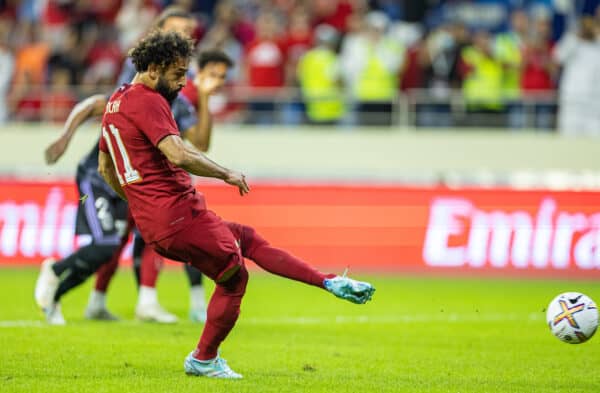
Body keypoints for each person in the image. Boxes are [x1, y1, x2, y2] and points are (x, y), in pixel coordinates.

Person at [65, 30, 372, 378]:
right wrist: (225, 173)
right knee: (234, 278)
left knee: (247, 237)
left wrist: (140, 201)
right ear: (153, 69)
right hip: (178, 215)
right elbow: (177, 153)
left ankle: (327, 281)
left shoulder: (116, 100)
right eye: (178, 74)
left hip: (159, 221)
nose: (184, 83)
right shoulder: (150, 100)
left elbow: (106, 168)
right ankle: (204, 358)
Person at [35, 7, 224, 324]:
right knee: (110, 244)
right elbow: (99, 102)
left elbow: (200, 142)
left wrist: (204, 98)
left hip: (135, 177)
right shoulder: (139, 76)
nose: (182, 37)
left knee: (128, 240)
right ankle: (59, 276)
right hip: (102, 173)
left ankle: (99, 301)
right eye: (176, 30)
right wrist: (66, 136)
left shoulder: (179, 89)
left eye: (188, 33)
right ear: (157, 32)